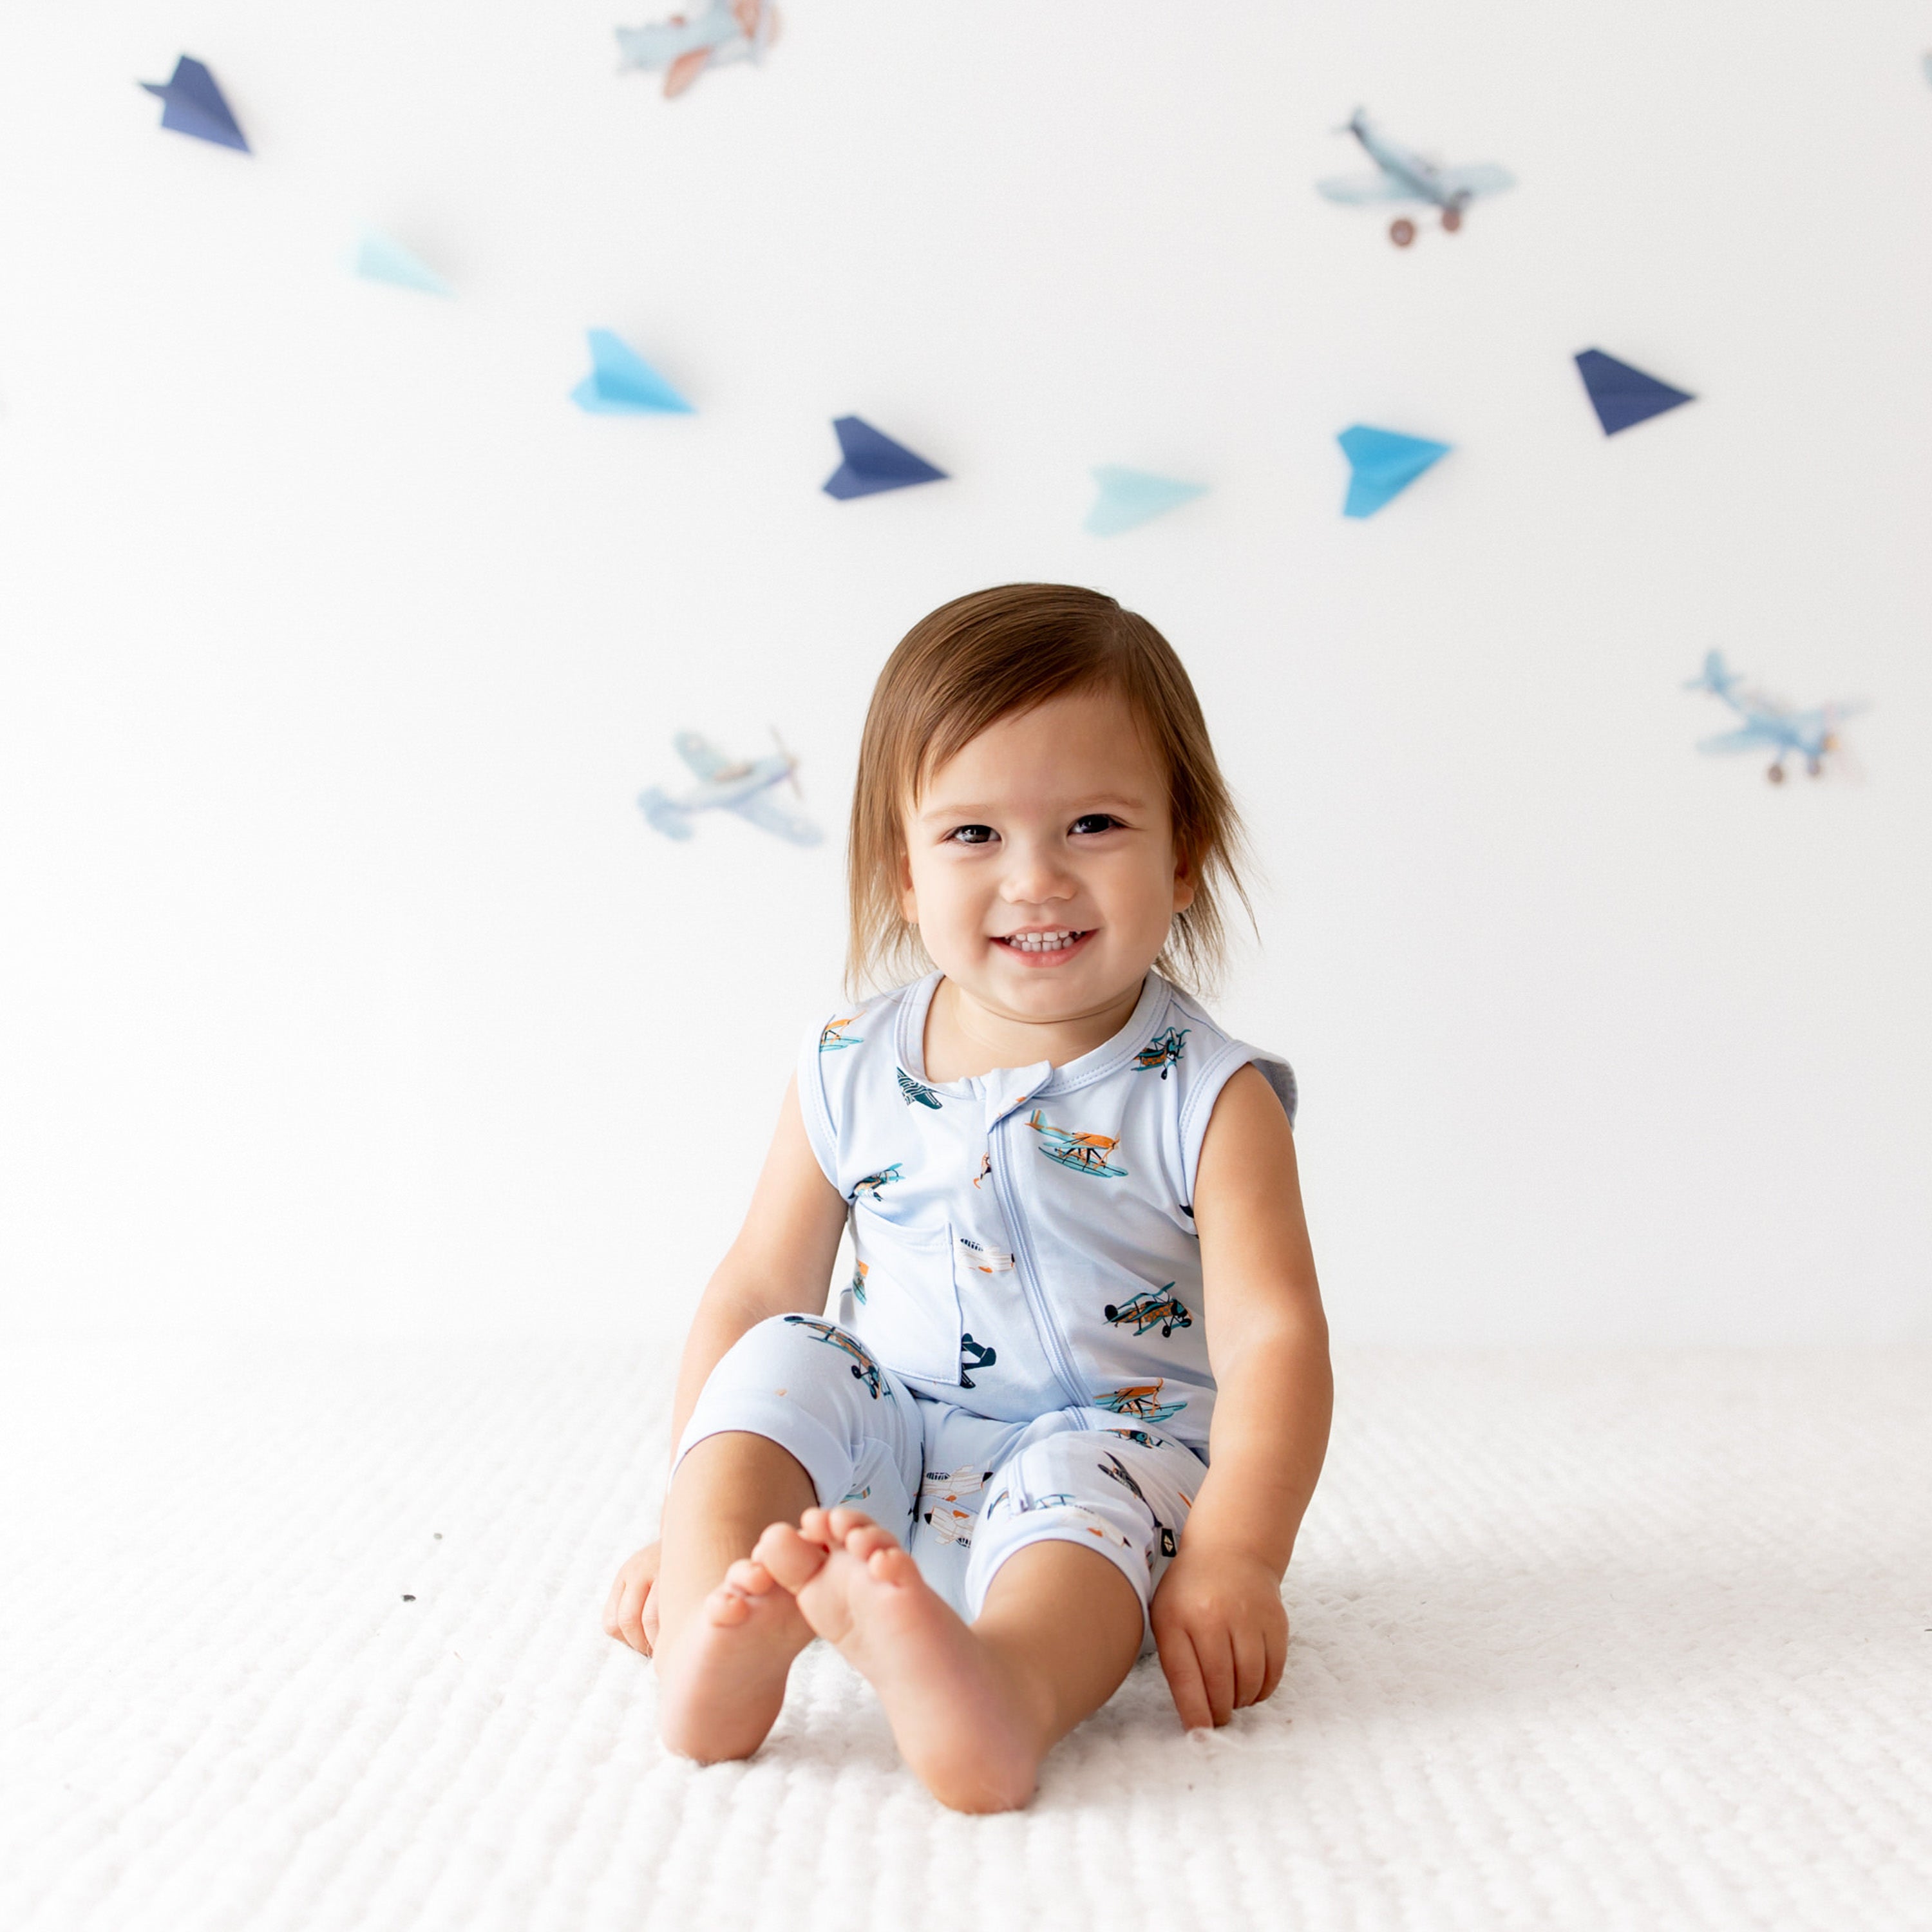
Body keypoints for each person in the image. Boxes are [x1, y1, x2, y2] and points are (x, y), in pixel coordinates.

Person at [601, 583, 1332, 1812]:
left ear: (1186, 854)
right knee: (785, 1354)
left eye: (1094, 824)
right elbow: (761, 1284)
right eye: (973, 836)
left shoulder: (1209, 1097)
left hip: (1099, 1458)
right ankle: (716, 1607)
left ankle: (1001, 1692)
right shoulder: (846, 1065)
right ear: (901, 870)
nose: (1035, 879)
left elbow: (1276, 1339)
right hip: (882, 1443)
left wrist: (1234, 1557)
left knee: (1080, 1517)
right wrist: (689, 1509)